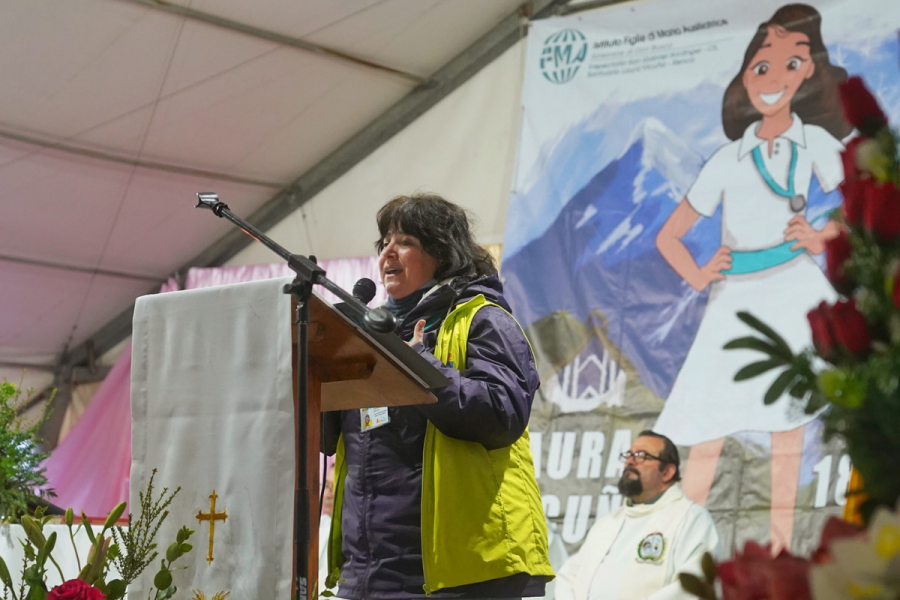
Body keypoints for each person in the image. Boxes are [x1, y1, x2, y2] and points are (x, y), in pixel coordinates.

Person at [653, 4, 850, 551]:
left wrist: (823, 236)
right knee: (706, 433)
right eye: (762, 67)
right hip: (734, 298)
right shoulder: (728, 158)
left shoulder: (815, 143)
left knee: (789, 432)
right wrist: (696, 273)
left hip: (793, 288)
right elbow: (669, 235)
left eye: (793, 63)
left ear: (809, 71)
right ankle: (678, 558)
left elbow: (862, 200)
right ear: (745, 75)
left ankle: (785, 553)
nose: (775, 78)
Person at [323, 193, 554, 599]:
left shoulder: (484, 320)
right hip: (369, 574)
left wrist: (423, 368)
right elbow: (328, 439)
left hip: (462, 572)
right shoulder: (371, 337)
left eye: (406, 242)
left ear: (443, 254)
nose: (388, 253)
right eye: (384, 244)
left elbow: (502, 417)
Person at [555, 431, 719, 600]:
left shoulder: (690, 518)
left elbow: (692, 584)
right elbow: (569, 576)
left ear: (667, 472)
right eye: (629, 454)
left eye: (642, 456)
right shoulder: (607, 524)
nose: (630, 460)